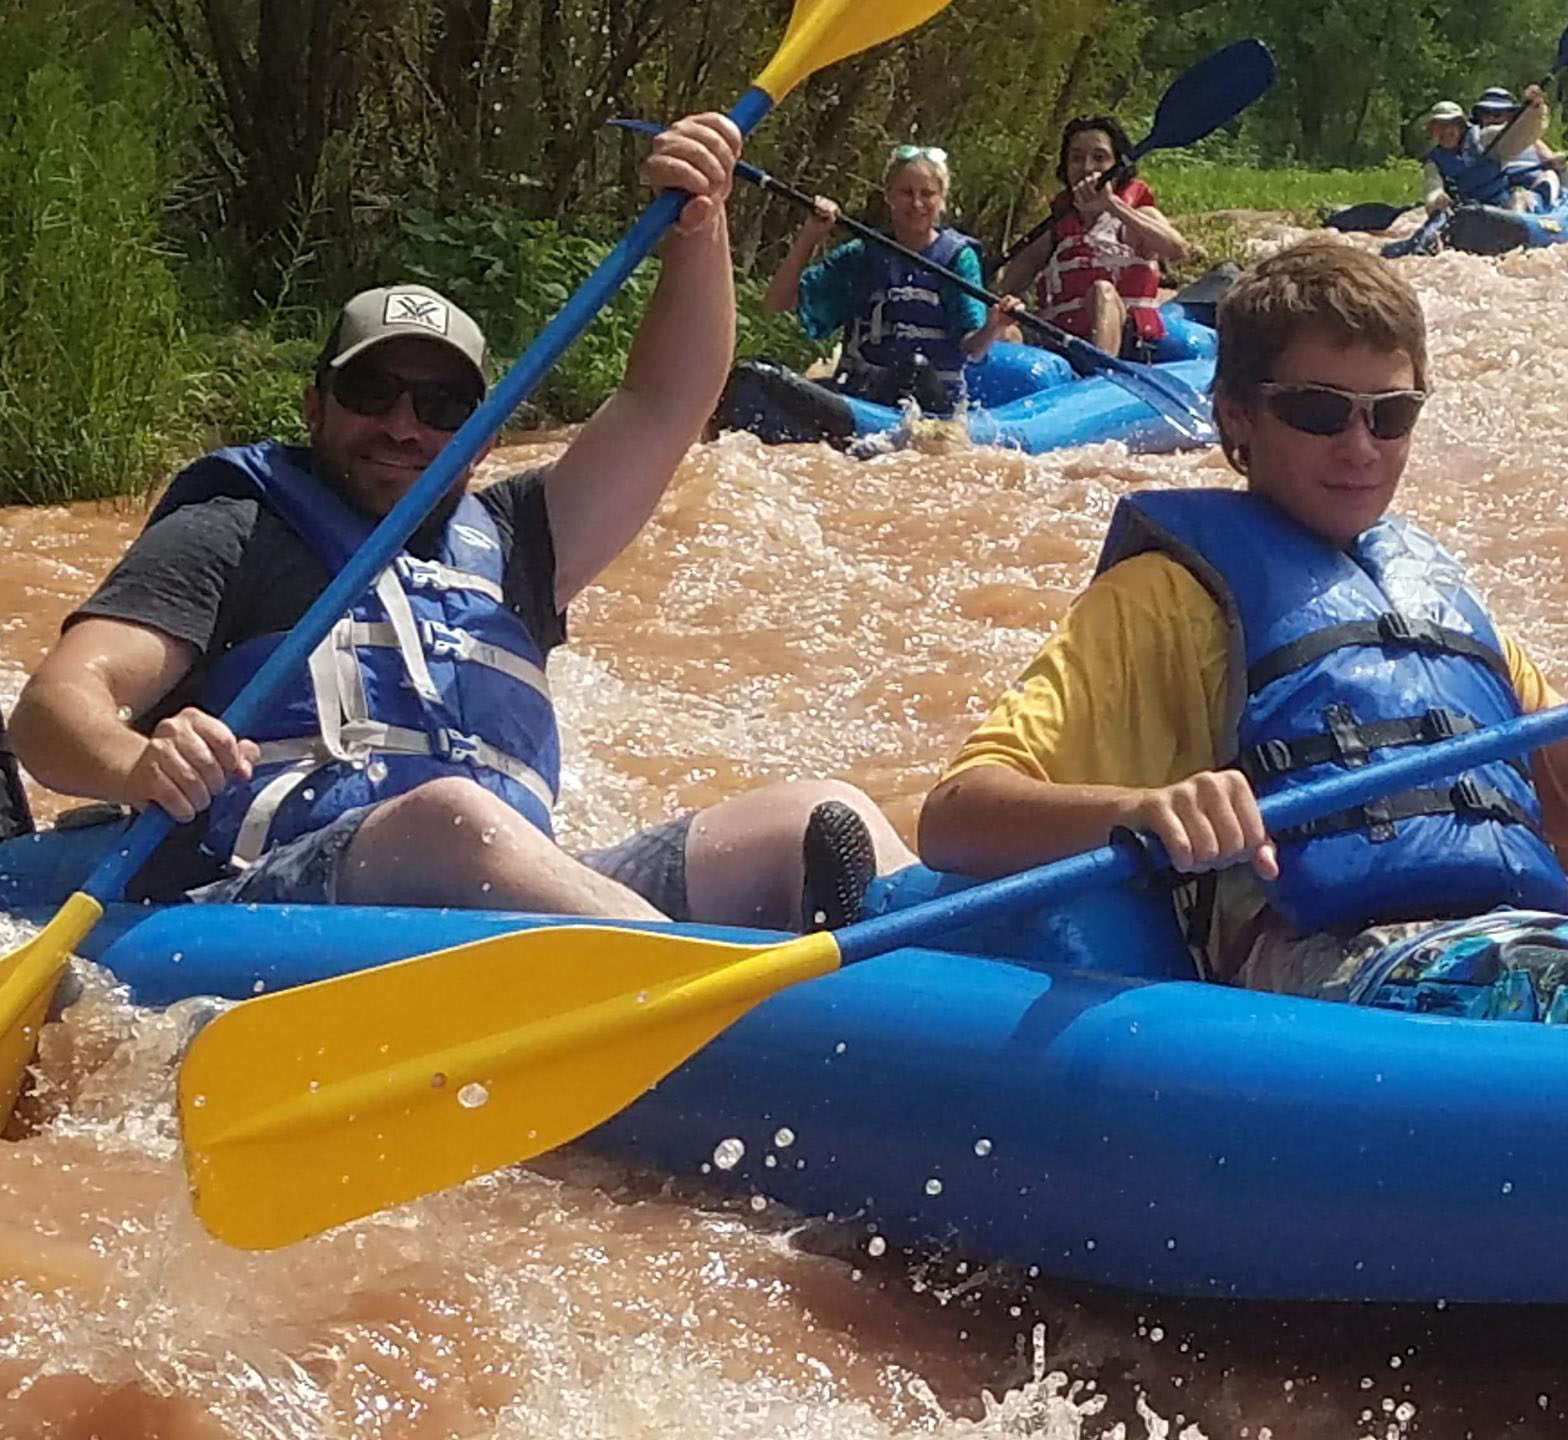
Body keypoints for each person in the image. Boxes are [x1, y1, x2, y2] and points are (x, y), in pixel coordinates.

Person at [916, 240, 1568, 1031]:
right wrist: (1148, 808)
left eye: (1391, 415)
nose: (1360, 446)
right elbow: (957, 814)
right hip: (1330, 968)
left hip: (1519, 952)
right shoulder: (1165, 600)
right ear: (1235, 421)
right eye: (1319, 412)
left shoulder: (1431, 601)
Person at [6, 114, 908, 932]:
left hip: (527, 894)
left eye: (441, 405)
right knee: (455, 820)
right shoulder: (236, 529)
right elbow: (56, 709)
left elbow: (666, 401)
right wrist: (136, 762)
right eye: (371, 391)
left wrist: (699, 228)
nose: (403, 425)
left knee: (816, 815)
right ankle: (720, 999)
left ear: (478, 437)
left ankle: (961, 965)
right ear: (315, 407)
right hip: (274, 895)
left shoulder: (519, 540)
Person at [759, 143, 1014, 415]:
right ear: (889, 196)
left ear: (941, 199)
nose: (916, 204)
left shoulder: (957, 260)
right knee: (762, 373)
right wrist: (810, 235)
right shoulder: (863, 255)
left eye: (927, 194)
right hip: (865, 395)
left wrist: (993, 326)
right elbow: (778, 302)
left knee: (915, 369)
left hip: (931, 402)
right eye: (906, 193)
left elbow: (973, 350)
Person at [994, 116, 1190, 364]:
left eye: (1099, 158)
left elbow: (1178, 249)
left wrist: (1113, 205)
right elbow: (1003, 293)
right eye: (1076, 158)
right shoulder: (1053, 230)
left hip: (1129, 344)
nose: (1087, 168)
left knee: (1102, 292)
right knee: (1004, 326)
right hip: (1061, 343)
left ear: (1117, 166)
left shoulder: (1135, 217)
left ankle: (1100, 379)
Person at [1417, 87, 1553, 219]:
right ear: (1432, 131)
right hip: (1467, 211)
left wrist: (1534, 109)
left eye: (1450, 125)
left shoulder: (1485, 138)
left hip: (1502, 206)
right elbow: (1432, 184)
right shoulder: (1435, 161)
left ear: (1461, 126)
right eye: (1440, 127)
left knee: (1518, 198)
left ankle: (1518, 228)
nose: (1446, 132)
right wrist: (1436, 199)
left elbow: (1519, 134)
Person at [1470, 86, 1565, 208]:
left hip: (1532, 183)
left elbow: (1554, 163)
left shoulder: (1531, 139)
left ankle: (1538, 201)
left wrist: (1558, 164)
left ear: (1510, 117)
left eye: (1497, 114)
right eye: (1486, 114)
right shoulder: (1477, 138)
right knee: (1517, 197)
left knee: (1550, 175)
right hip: (1500, 186)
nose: (1491, 119)